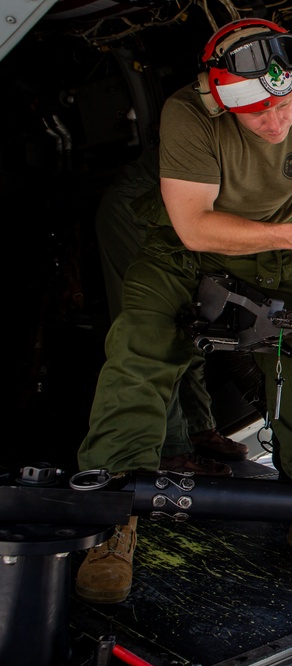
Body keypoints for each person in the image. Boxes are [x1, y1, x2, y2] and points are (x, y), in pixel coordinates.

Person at [75, 18, 292, 604]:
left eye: (284, 103)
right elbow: (194, 225)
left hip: (279, 253)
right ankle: (110, 518)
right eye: (256, 111)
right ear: (221, 99)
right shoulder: (189, 115)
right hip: (184, 251)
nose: (277, 121)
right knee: (140, 349)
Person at [94, 150, 248, 477]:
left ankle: (196, 429)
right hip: (141, 211)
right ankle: (172, 450)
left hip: (176, 213)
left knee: (189, 323)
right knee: (160, 332)